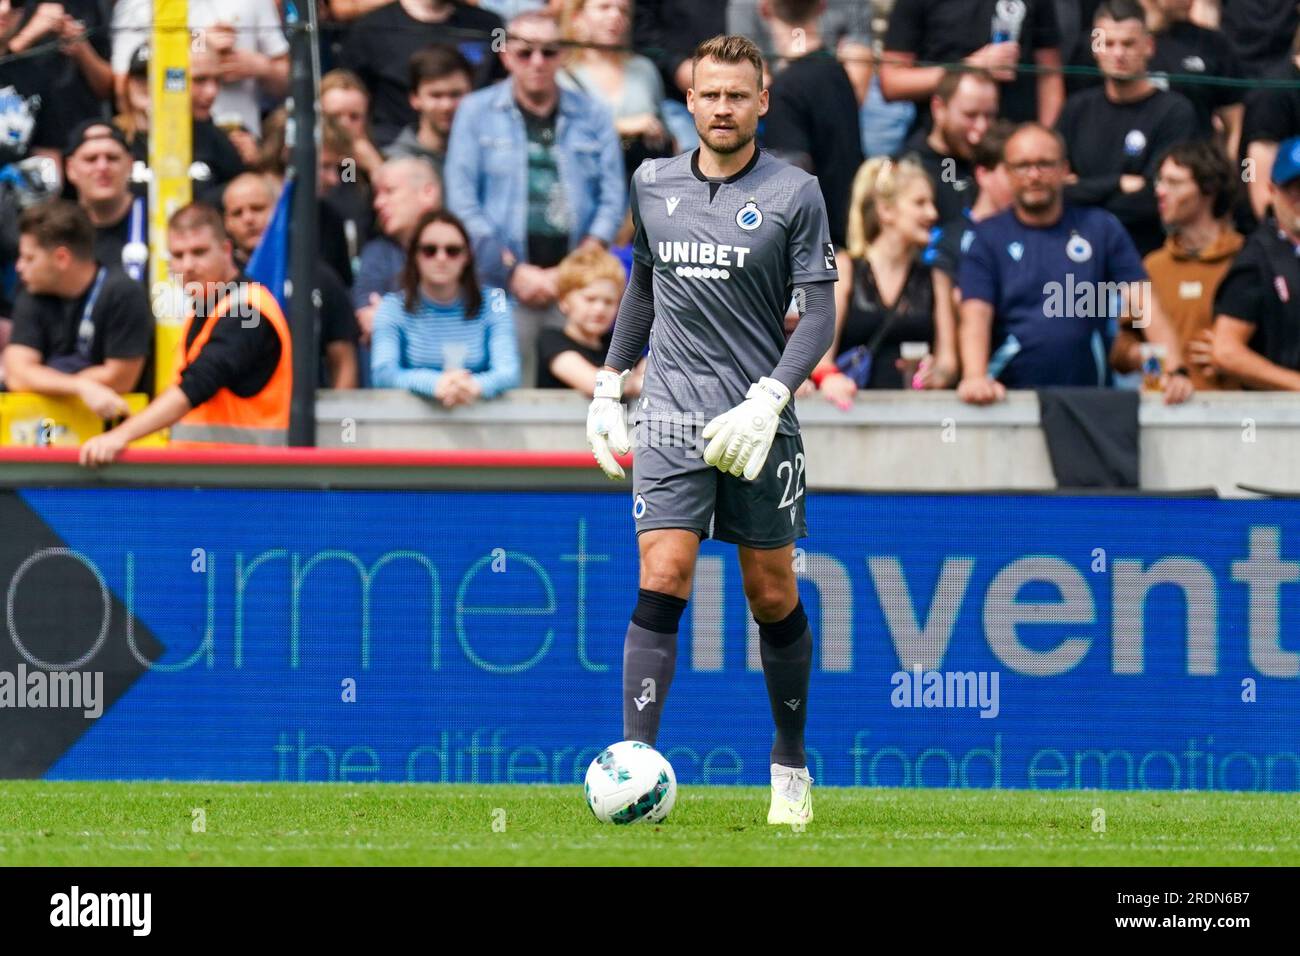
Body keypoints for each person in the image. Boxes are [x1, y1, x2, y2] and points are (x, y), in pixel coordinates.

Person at [586, 35, 838, 826]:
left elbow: (820, 311)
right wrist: (605, 383)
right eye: (709, 94)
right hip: (667, 412)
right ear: (688, 102)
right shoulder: (653, 182)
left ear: (761, 102)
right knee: (663, 572)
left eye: (738, 94)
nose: (722, 107)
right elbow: (643, 288)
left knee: (771, 593)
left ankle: (790, 759)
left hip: (758, 419)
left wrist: (770, 398)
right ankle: (636, 762)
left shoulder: (797, 193)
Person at [445, 9, 625, 387]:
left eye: (548, 51)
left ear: (563, 55)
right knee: (507, 394)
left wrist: (571, 271)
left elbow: (613, 199)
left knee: (577, 397)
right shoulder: (475, 112)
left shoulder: (593, 114)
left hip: (574, 287)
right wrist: (513, 270)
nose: (537, 62)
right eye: (525, 52)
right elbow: (462, 201)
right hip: (500, 284)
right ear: (506, 55)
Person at [956, 123, 1193, 403]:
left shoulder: (1100, 228)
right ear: (1007, 173)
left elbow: (1144, 304)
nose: (1033, 175)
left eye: (1044, 164)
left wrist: (1174, 371)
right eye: (1022, 166)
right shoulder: (986, 237)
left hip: (1092, 403)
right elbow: (975, 314)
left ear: (1065, 169)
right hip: (1009, 401)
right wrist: (974, 376)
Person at [78, 203, 291, 464]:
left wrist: (119, 436)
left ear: (225, 251)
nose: (188, 265)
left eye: (199, 252)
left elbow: (195, 386)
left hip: (248, 483)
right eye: (178, 256)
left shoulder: (248, 312)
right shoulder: (205, 307)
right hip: (208, 479)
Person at [1056, 0, 1198, 256]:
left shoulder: (1175, 112)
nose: (1118, 54)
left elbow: (1156, 199)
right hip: (1075, 249)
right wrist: (1119, 182)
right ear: (1095, 48)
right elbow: (1055, 187)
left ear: (1149, 46)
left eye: (1128, 43)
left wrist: (1084, 188)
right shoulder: (1076, 109)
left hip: (1145, 250)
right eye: (1109, 44)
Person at [812, 157, 957, 406]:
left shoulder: (936, 278)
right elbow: (817, 356)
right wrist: (831, 379)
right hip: (850, 414)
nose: (932, 213)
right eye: (920, 203)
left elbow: (949, 362)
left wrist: (937, 375)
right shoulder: (845, 269)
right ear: (886, 210)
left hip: (916, 416)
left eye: (931, 203)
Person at [1113, 140, 1243, 389]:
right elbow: (1120, 350)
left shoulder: (1245, 259)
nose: (1160, 191)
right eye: (1159, 182)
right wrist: (1149, 359)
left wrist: (1233, 353)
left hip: (1232, 414)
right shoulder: (1153, 265)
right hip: (1163, 414)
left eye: (1173, 183)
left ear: (1209, 189)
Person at [3, 201, 153, 412]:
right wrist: (80, 386)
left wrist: (41, 378)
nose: (19, 266)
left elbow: (120, 378)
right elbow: (18, 375)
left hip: (112, 426)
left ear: (61, 258)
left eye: (29, 258)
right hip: (44, 428)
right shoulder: (32, 291)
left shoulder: (123, 293)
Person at [222, 173, 360, 389]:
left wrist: (338, 416)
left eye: (257, 208)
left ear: (278, 212)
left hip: (307, 414)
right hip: (241, 416)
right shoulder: (218, 283)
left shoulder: (318, 276)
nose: (248, 219)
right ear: (227, 223)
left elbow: (343, 360)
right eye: (237, 213)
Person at [370, 209, 519, 404]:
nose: (441, 258)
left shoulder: (495, 302)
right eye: (429, 250)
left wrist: (473, 386)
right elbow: (383, 373)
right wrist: (435, 384)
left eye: (452, 250)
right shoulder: (392, 306)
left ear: (467, 256)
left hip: (480, 422)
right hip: (410, 426)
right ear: (415, 255)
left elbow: (509, 372)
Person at [756, 0, 864, 251]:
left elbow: (790, 194)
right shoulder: (839, 73)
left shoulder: (783, 92)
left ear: (764, 8)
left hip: (815, 254)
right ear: (822, 6)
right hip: (843, 240)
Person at [339, 0, 505, 147]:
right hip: (391, 152)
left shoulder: (491, 26)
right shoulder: (370, 29)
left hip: (479, 148)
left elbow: (505, 86)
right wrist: (370, 161)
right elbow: (346, 101)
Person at [111, 1, 289, 138]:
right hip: (167, 142)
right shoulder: (137, 4)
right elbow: (124, 84)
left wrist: (262, 67)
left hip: (241, 137)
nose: (212, 92)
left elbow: (291, 81)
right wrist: (200, 41)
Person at [881, 0, 1065, 130]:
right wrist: (969, 67)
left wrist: (1047, 138)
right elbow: (892, 82)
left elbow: (1049, 75)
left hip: (1012, 140)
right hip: (945, 142)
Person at [1211, 135, 1300, 389]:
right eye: (1294, 187)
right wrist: (1295, 384)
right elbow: (1226, 351)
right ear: (1272, 191)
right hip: (1282, 417)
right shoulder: (1257, 258)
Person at [558, 0, 674, 178]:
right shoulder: (562, 76)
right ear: (577, 16)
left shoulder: (644, 69)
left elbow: (667, 135)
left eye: (624, 11)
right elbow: (563, 134)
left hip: (644, 186)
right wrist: (622, 126)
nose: (615, 16)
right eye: (604, 7)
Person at [118, 44, 245, 206]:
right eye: (199, 80)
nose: (212, 92)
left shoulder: (217, 139)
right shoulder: (112, 138)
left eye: (217, 80)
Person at [354, 157, 443, 347]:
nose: (378, 203)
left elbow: (480, 322)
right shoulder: (376, 253)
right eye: (377, 194)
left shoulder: (471, 248)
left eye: (389, 191)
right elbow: (367, 319)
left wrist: (390, 319)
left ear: (428, 193)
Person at [899, 70, 1000, 231]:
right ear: (939, 108)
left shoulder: (996, 164)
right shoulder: (908, 168)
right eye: (970, 115)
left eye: (989, 116)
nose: (981, 128)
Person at [537, 244, 645, 393]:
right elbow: (595, 384)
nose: (600, 309)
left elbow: (648, 368)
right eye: (590, 299)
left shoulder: (615, 343)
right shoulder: (551, 340)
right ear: (563, 301)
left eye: (609, 301)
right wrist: (637, 384)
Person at [1147, 0, 1245, 154]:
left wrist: (1228, 167)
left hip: (1195, 162)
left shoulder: (1212, 44)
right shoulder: (1122, 43)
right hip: (1137, 160)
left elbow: (1234, 123)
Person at [62, 120, 150, 283]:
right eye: (91, 159)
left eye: (112, 158)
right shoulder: (60, 232)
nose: (102, 167)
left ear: (130, 164)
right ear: (70, 169)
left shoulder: (158, 221)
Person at [383, 45, 475, 179]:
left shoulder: (490, 157)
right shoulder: (393, 161)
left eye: (456, 94)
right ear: (414, 98)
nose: (446, 106)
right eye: (436, 95)